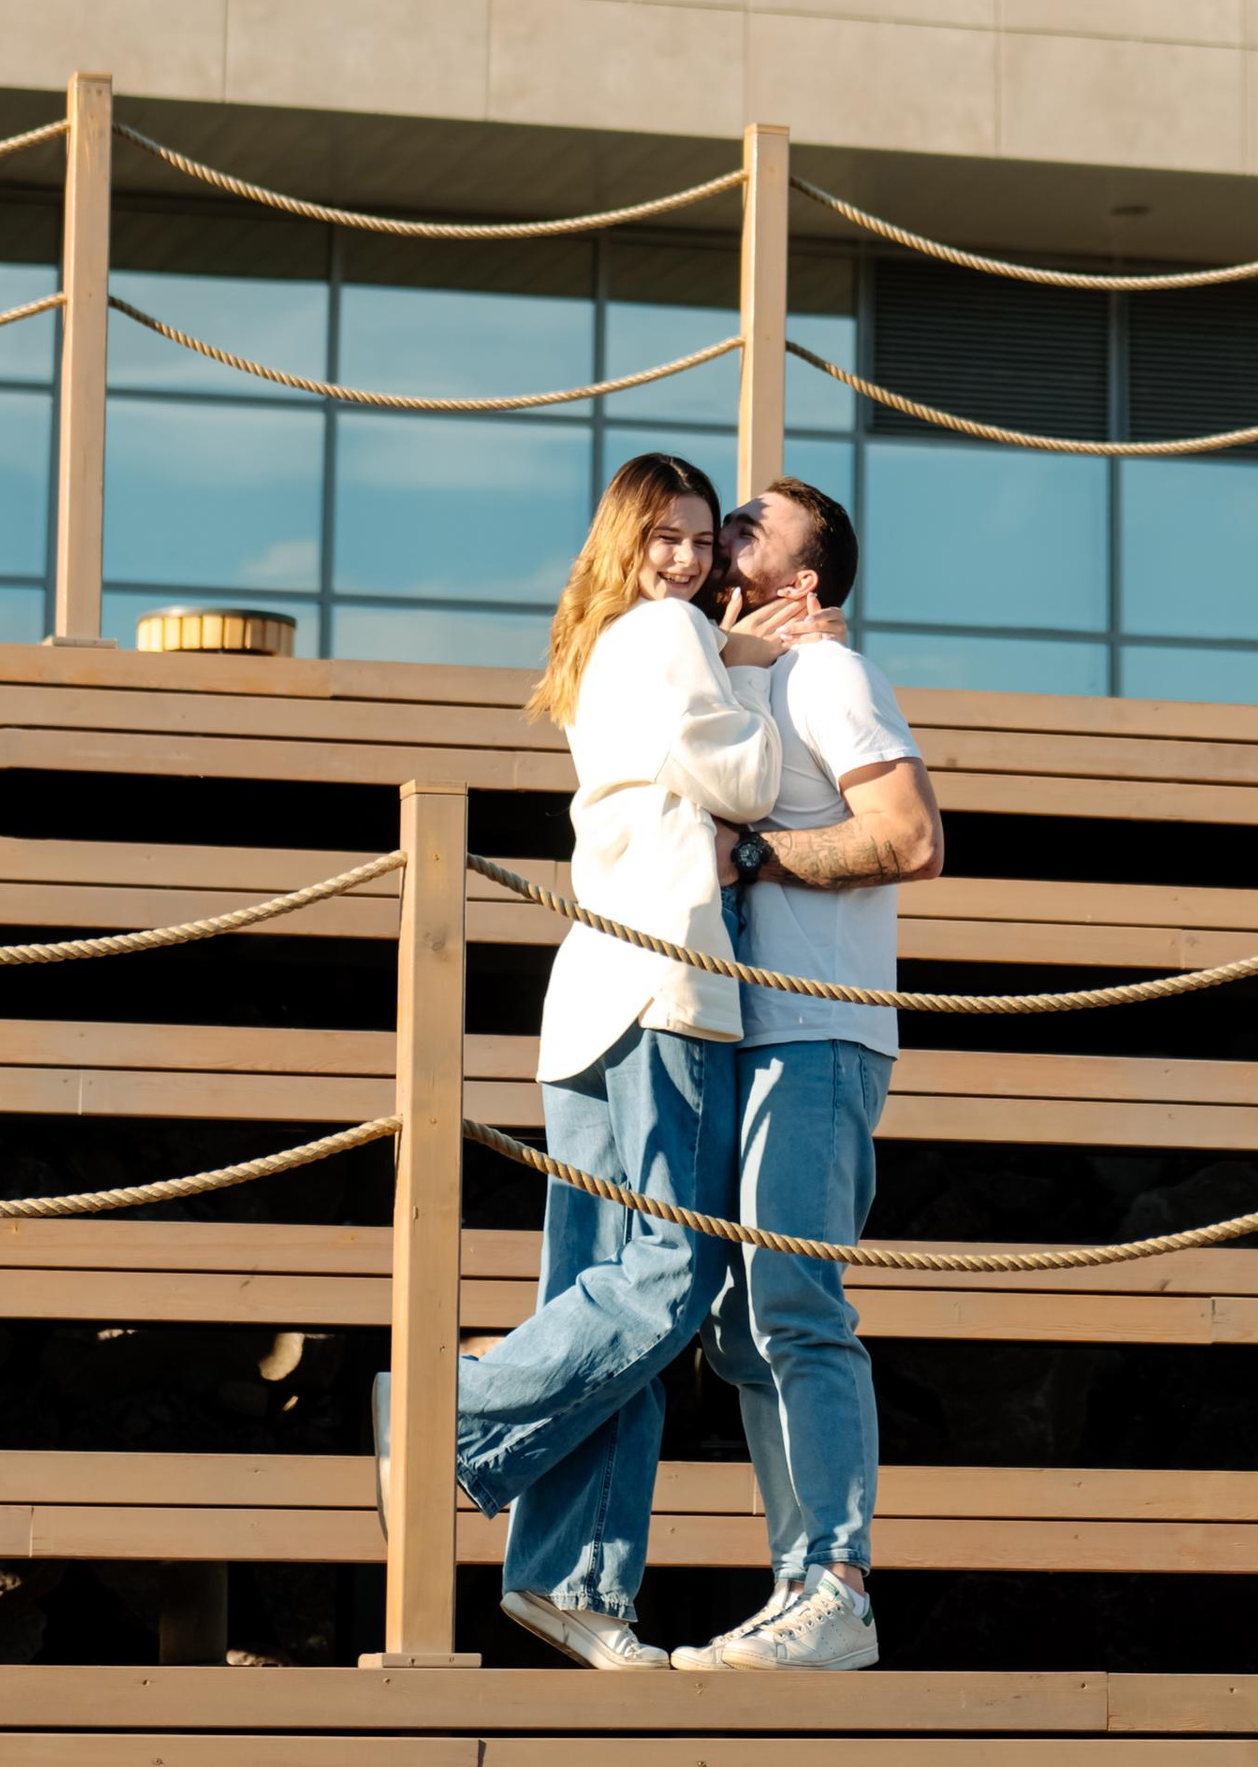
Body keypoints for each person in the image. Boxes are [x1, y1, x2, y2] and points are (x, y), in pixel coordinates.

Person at [373, 450, 833, 1668]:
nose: (687, 561)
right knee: (672, 1274)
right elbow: (746, 776)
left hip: (589, 1003)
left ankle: (572, 1583)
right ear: (624, 541)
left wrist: (723, 667)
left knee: (598, 1290)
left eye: (699, 539)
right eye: (667, 538)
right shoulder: (673, 635)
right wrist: (751, 666)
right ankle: (438, 1416)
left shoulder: (594, 651)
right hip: (667, 990)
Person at [671, 475, 944, 1677]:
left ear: (804, 580)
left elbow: (910, 837)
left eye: (744, 529)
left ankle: (835, 1585)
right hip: (747, 1034)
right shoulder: (740, 672)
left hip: (816, 1036)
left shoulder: (826, 674)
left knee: (794, 1309)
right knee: (741, 1324)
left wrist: (760, 854)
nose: (717, 537)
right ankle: (801, 1590)